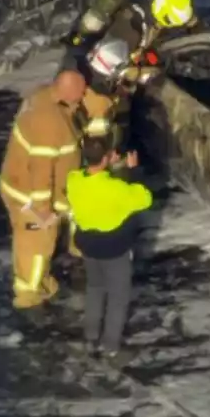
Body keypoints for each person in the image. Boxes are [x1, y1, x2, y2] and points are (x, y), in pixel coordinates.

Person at [0, 69, 111, 316]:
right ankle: (29, 298)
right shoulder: (48, 122)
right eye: (81, 92)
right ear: (69, 92)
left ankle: (42, 281)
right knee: (36, 247)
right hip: (29, 196)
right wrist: (42, 206)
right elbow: (41, 167)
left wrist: (95, 112)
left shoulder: (46, 100)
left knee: (42, 246)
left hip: (29, 189)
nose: (84, 96)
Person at [65, 136, 153, 366]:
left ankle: (90, 338)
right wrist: (133, 171)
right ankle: (111, 348)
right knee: (118, 297)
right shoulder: (117, 189)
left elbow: (96, 181)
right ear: (107, 157)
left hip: (88, 246)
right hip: (114, 248)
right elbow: (144, 199)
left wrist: (108, 166)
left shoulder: (74, 180)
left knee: (95, 288)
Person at [70, 0, 199, 63]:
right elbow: (104, 65)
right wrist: (137, 73)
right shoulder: (131, 30)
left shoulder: (147, 4)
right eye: (174, 23)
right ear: (165, 18)